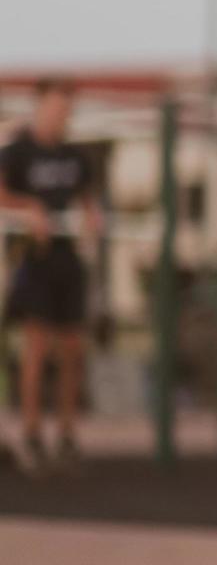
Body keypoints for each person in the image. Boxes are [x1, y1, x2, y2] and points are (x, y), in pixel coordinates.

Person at [0, 78, 102, 477]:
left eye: (67, 110)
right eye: (56, 109)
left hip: (67, 259)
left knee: (73, 348)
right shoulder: (18, 152)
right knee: (36, 346)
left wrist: (91, 214)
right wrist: (27, 208)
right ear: (39, 107)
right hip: (34, 258)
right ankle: (31, 432)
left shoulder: (75, 156)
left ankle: (66, 432)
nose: (62, 117)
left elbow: (87, 197)